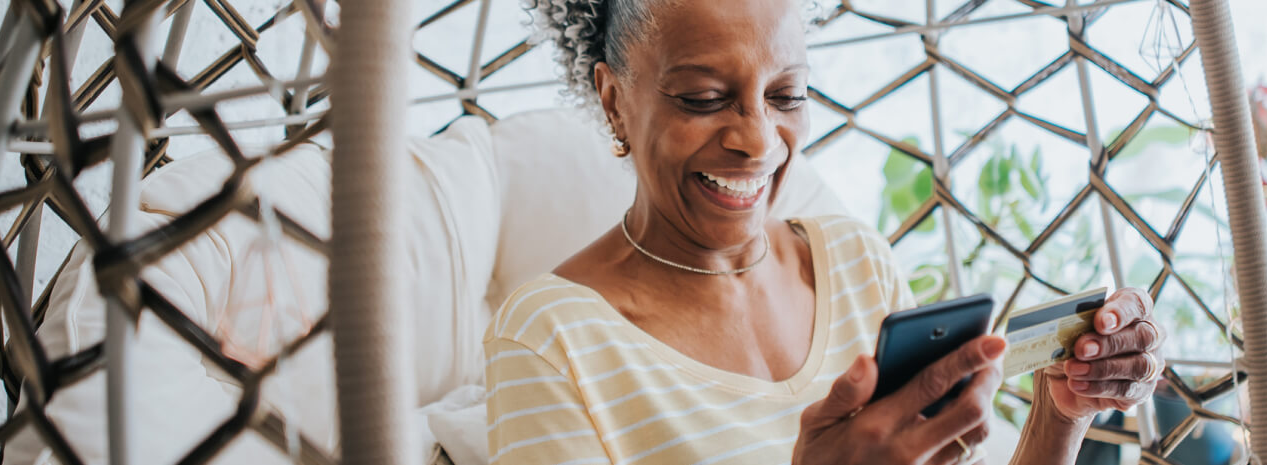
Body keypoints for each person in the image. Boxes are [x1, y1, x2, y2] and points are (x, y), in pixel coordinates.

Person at [484, 0, 1165, 463]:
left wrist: (1062, 413)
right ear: (614, 101)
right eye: (702, 99)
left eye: (786, 95)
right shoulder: (550, 339)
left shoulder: (854, 262)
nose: (757, 139)